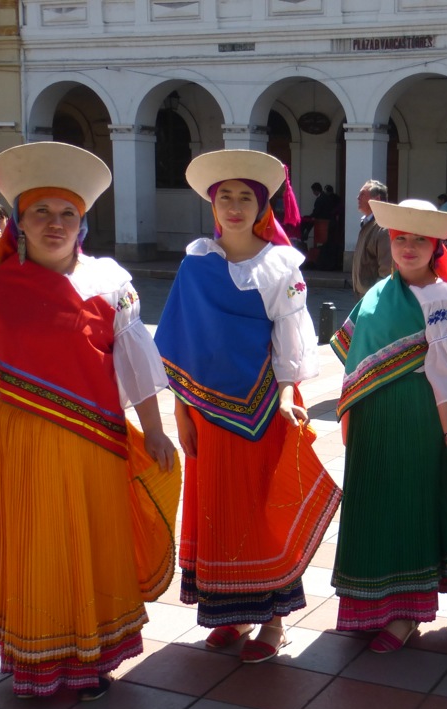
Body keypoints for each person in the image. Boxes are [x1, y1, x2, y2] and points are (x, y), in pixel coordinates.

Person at [0, 142, 180, 700]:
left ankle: (91, 659)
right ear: (18, 222)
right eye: (41, 211)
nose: (55, 223)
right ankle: (35, 658)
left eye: (67, 212)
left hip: (95, 442)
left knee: (92, 544)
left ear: (82, 223)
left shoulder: (110, 283)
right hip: (20, 441)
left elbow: (135, 362)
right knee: (32, 545)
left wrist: (156, 429)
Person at [154, 149, 341, 664]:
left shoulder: (281, 265)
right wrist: (181, 413)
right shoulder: (195, 265)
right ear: (213, 205)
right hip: (205, 410)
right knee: (218, 506)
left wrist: (285, 397)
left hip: (267, 404)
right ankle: (232, 614)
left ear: (261, 206)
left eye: (245, 198)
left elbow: (291, 339)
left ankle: (275, 620)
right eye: (225, 198)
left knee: (263, 506)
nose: (234, 207)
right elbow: (179, 342)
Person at [330, 199, 447, 652]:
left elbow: (446, 371)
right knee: (373, 504)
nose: (408, 247)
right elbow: (351, 351)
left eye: (420, 239)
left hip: (415, 413)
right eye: (401, 238)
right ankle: (369, 606)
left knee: (408, 506)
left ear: (436, 246)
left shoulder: (443, 298)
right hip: (372, 414)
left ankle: (406, 615)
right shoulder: (380, 291)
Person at [352, 179, 392, 294]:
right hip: (363, 295)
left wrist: (376, 296)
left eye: (362, 194)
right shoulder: (367, 223)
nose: (358, 198)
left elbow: (386, 271)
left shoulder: (383, 227)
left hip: (373, 297)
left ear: (377, 199)